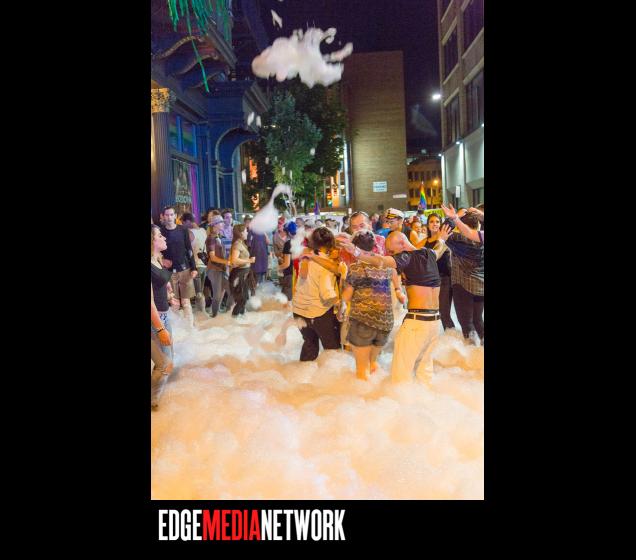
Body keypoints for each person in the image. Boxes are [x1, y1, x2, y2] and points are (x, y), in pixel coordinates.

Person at [339, 224, 453, 384]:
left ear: (401, 244)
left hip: (417, 323)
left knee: (400, 377)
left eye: (391, 252)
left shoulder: (406, 257)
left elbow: (380, 261)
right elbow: (439, 248)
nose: (391, 256)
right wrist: (442, 239)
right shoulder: (430, 254)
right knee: (425, 372)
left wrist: (356, 251)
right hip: (435, 324)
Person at [338, 231, 405, 379]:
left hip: (363, 322)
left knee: (362, 371)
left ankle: (364, 392)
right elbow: (395, 275)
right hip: (385, 323)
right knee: (372, 364)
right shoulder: (386, 266)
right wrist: (398, 291)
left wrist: (343, 275)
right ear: (374, 246)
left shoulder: (356, 268)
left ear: (354, 247)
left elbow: (346, 296)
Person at [292, 228, 342, 361]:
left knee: (309, 345)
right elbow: (327, 292)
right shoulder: (326, 265)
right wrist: (339, 304)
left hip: (299, 311)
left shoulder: (305, 259)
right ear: (331, 244)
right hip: (318, 312)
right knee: (332, 350)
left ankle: (303, 372)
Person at [440, 205, 484, 344]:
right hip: (480, 286)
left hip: (462, 286)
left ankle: (471, 352)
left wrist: (455, 216)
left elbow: (443, 229)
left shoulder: (458, 239)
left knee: (466, 324)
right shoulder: (482, 238)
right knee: (478, 320)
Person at [159, 206, 198, 328]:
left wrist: (194, 268)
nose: (169, 217)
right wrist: (162, 260)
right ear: (163, 216)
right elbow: (156, 252)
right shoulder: (160, 232)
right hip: (169, 272)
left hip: (185, 269)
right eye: (167, 215)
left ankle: (190, 328)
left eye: (171, 214)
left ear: (175, 216)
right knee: (174, 302)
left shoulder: (183, 230)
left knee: (186, 302)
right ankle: (176, 330)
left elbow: (189, 249)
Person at [424, 213, 456, 330]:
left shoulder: (445, 238)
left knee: (444, 313)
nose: (435, 224)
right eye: (432, 222)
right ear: (427, 225)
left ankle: (453, 337)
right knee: (436, 312)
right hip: (431, 281)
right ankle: (446, 336)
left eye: (437, 221)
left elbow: (434, 256)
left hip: (445, 279)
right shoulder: (425, 241)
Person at [205, 215, 233, 317]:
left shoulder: (218, 237)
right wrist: (226, 262)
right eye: (221, 222)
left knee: (230, 292)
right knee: (217, 295)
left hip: (220, 269)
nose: (223, 224)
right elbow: (212, 257)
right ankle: (215, 316)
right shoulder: (211, 238)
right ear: (215, 225)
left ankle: (226, 314)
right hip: (214, 269)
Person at [180, 212, 208, 314]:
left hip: (195, 266)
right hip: (204, 265)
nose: (183, 225)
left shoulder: (189, 232)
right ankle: (202, 313)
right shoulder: (203, 230)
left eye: (183, 222)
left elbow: (186, 249)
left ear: (187, 221)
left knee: (198, 293)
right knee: (200, 291)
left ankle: (202, 313)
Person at [229, 224, 255, 316]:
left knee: (244, 298)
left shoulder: (241, 243)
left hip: (243, 273)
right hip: (239, 274)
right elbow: (234, 260)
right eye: (245, 231)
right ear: (240, 233)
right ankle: (235, 318)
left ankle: (240, 318)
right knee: (242, 299)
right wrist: (249, 260)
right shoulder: (237, 244)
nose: (247, 232)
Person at [244, 216, 270, 285]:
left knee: (257, 278)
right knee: (258, 278)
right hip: (259, 258)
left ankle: (257, 288)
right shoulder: (258, 230)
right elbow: (267, 242)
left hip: (258, 258)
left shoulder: (256, 231)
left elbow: (248, 244)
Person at [278, 221, 297, 301]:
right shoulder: (300, 241)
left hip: (290, 274)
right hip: (298, 274)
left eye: (285, 232)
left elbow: (287, 264)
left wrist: (277, 268)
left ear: (288, 232)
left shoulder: (288, 244)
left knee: (286, 299)